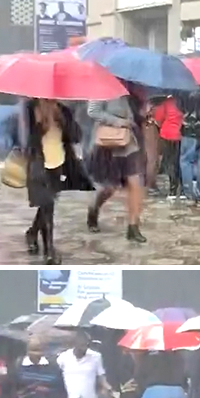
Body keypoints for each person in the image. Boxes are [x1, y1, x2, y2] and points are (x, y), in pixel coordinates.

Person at [23, 97, 85, 265]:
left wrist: (62, 119)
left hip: (58, 163)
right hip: (38, 164)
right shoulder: (30, 108)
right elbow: (25, 139)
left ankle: (32, 232)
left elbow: (76, 136)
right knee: (47, 206)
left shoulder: (63, 110)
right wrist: (40, 123)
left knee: (47, 205)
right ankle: (50, 250)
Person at [86, 86, 147, 243]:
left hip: (129, 143)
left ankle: (133, 228)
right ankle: (94, 208)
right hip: (109, 143)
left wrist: (143, 112)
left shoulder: (133, 86)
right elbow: (93, 111)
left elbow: (135, 115)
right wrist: (118, 122)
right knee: (109, 187)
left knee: (135, 183)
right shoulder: (102, 85)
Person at [152, 94, 184, 198]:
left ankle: (173, 189)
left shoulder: (168, 102)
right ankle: (182, 187)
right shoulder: (185, 102)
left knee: (170, 161)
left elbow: (159, 117)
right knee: (179, 161)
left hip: (166, 134)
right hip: (180, 134)